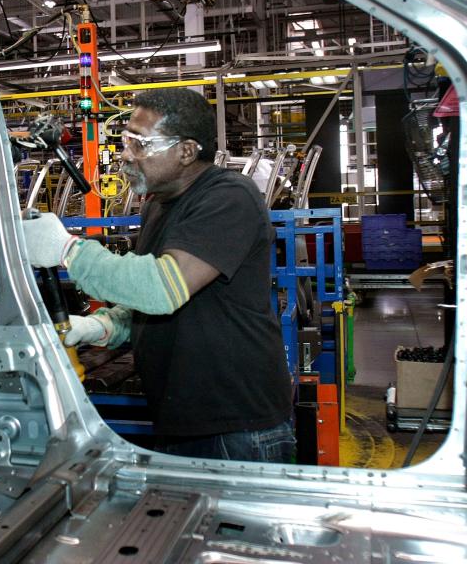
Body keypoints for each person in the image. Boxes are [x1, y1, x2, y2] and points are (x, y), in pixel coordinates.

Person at [21, 88, 294, 462]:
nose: (126, 155)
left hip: (237, 426)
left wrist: (69, 251)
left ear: (186, 151)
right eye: (125, 141)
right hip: (178, 419)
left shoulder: (230, 198)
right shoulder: (157, 208)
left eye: (139, 144)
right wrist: (101, 326)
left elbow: (162, 289)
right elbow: (143, 300)